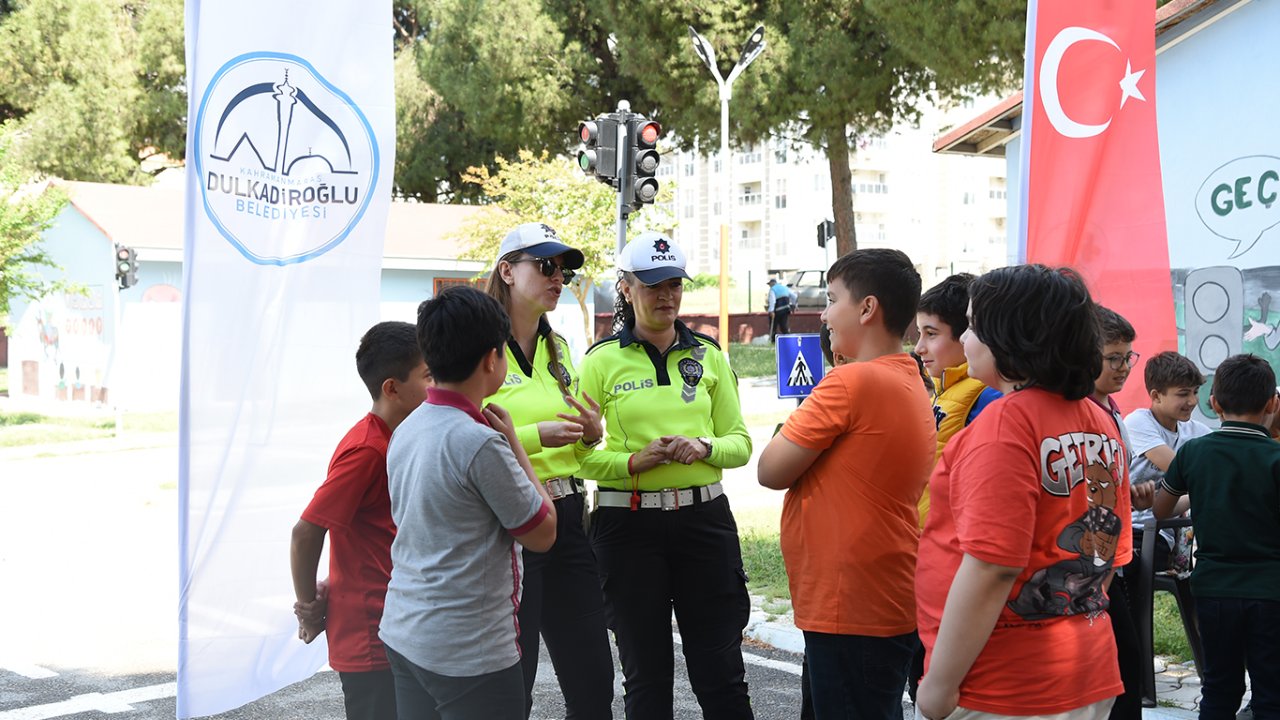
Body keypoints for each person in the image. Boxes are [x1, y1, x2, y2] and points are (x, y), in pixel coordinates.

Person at [916, 265, 1132, 720]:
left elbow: (992, 566)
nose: (966, 338)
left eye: (973, 325)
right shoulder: (1099, 421)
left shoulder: (1004, 425)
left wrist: (940, 683)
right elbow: (1108, 556)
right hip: (1084, 668)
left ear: (1010, 336)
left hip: (1002, 684)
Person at [576, 231, 754, 720]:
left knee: (722, 675)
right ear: (626, 287)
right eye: (653, 285)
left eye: (674, 284)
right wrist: (633, 462)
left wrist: (704, 446)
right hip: (627, 528)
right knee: (647, 678)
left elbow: (740, 444)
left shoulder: (709, 355)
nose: (666, 296)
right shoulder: (600, 361)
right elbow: (579, 459)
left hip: (704, 523)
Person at [758, 248, 935, 720]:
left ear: (867, 308)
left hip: (848, 603)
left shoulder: (849, 383)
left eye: (833, 299)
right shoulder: (910, 378)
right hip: (878, 594)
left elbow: (770, 470)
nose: (823, 314)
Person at [380, 287, 558, 720]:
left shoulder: (408, 427)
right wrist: (514, 442)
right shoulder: (479, 442)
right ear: (491, 360)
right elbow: (543, 532)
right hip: (468, 651)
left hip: (405, 630)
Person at [484, 222, 613, 718]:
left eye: (564, 270)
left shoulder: (558, 347)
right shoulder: (478, 344)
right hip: (509, 523)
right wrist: (536, 435)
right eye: (545, 266)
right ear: (507, 272)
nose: (558, 277)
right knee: (512, 686)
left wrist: (591, 433)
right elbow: (462, 431)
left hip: (568, 517)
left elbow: (579, 445)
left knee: (593, 680)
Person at [290, 321, 432, 720]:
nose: (437, 384)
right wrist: (308, 606)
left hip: (403, 624)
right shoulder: (368, 449)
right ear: (392, 388)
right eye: (428, 376)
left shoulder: (401, 436)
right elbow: (306, 531)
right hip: (372, 636)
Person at [1155, 353, 1280, 720]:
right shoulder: (1275, 458)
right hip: (1270, 592)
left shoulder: (1194, 452)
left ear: (1214, 403)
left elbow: (1162, 509)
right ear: (1272, 403)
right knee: (1272, 693)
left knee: (1219, 689)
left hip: (1213, 591)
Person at [907, 272, 1002, 702]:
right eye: (918, 333)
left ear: (968, 334)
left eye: (931, 334)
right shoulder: (945, 393)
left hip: (959, 567)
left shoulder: (986, 399)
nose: (919, 347)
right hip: (927, 558)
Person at [1086, 306, 1144, 720]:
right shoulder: (1084, 410)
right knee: (1122, 669)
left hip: (1115, 557)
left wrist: (1131, 494)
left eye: (1127, 357)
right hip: (1093, 563)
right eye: (1113, 358)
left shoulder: (1112, 407)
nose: (1123, 367)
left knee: (1127, 668)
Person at [1123, 351, 1210, 574]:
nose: (1192, 401)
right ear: (1156, 396)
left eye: (1195, 392)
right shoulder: (1138, 422)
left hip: (1163, 533)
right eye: (1183, 394)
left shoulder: (1198, 432)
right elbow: (1178, 470)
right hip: (1131, 528)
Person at [766, 277, 794, 343]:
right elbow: (794, 296)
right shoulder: (785, 288)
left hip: (777, 310)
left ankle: (773, 340)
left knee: (773, 326)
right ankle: (788, 339)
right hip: (786, 309)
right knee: (784, 325)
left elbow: (772, 301)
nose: (769, 286)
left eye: (769, 284)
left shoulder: (772, 289)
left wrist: (771, 311)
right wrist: (794, 305)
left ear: (772, 284)